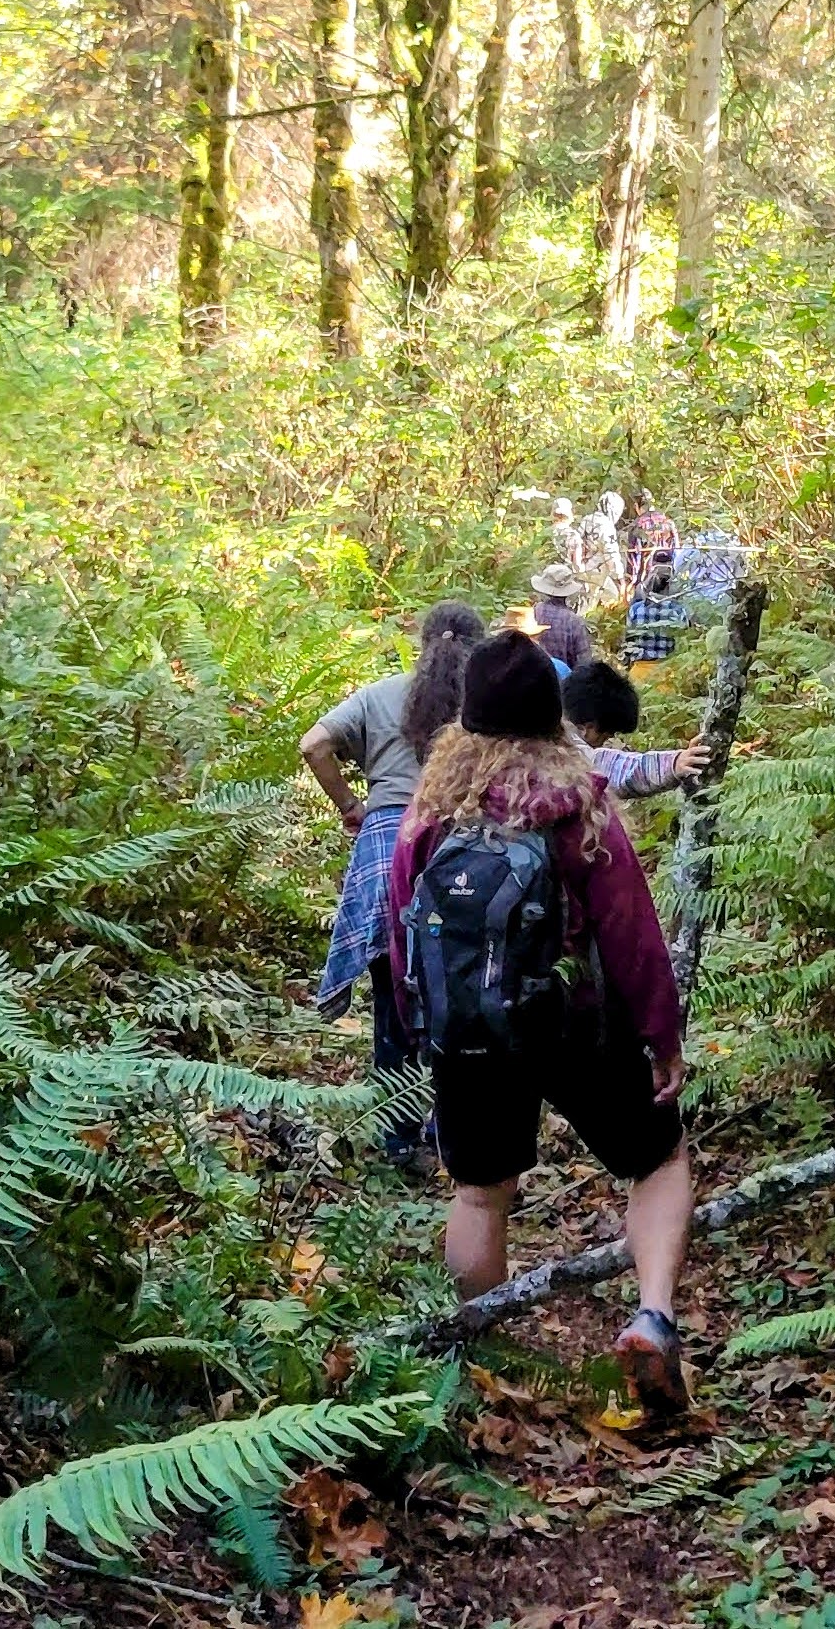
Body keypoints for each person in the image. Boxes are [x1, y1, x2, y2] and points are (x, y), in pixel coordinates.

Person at [388, 631, 695, 1409]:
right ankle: (655, 1315)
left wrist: (421, 1021)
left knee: (479, 1193)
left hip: (470, 1033)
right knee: (657, 1159)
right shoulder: (579, 801)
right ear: (552, 715)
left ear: (469, 717)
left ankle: (489, 1367)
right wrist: (661, 1035)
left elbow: (402, 927)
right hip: (574, 1023)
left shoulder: (432, 811)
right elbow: (629, 926)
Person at [302, 602, 487, 1172]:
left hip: (387, 851)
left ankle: (398, 1139)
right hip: (464, 857)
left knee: (394, 1001)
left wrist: (351, 805)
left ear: (422, 640)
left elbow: (313, 744)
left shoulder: (378, 695)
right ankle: (452, 1131)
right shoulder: (484, 706)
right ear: (475, 648)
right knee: (461, 995)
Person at [562, 659, 711, 799]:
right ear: (587, 728)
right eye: (606, 736)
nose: (603, 743)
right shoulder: (562, 751)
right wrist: (674, 763)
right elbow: (612, 769)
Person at [526, 565, 594, 669]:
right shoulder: (574, 621)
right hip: (564, 681)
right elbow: (584, 662)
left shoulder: (533, 613)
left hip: (534, 678)